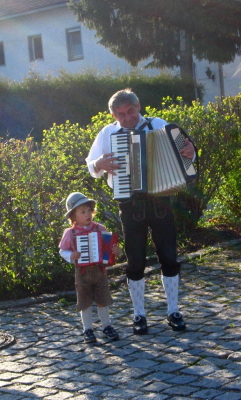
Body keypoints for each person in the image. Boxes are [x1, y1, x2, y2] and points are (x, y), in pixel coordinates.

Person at [86, 88, 195, 334]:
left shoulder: (159, 125)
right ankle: (139, 315)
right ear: (114, 115)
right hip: (130, 204)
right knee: (135, 260)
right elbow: (91, 164)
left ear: (138, 106)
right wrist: (98, 164)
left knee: (169, 256)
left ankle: (173, 311)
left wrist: (191, 152)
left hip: (161, 200)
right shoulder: (108, 133)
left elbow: (185, 154)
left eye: (130, 111)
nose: (127, 118)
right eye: (120, 114)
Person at [59, 192, 122, 343]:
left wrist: (116, 252)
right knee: (85, 301)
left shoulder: (100, 228)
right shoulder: (70, 233)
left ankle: (107, 326)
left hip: (100, 271)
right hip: (82, 272)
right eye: (82, 211)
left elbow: (110, 248)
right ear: (73, 216)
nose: (87, 214)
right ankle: (87, 329)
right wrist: (71, 255)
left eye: (89, 210)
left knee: (103, 299)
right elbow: (62, 251)